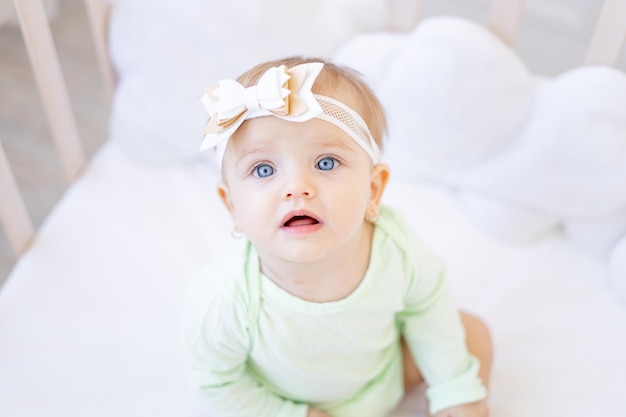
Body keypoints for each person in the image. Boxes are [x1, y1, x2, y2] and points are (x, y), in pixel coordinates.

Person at [182, 56, 493, 417]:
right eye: (264, 169)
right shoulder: (225, 299)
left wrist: (453, 388)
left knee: (472, 334)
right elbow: (218, 382)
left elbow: (427, 307)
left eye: (326, 163)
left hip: (384, 377)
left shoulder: (395, 248)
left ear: (373, 190)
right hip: (294, 403)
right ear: (232, 206)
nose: (296, 187)